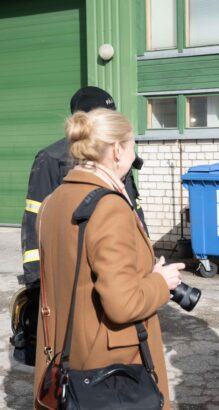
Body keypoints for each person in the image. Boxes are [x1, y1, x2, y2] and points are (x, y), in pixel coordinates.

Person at [33, 108, 183, 410]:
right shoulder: (109, 207)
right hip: (111, 372)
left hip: (65, 356)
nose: (133, 152)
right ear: (117, 150)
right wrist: (159, 282)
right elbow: (122, 304)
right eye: (131, 144)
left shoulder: (52, 202)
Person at [15, 86, 146, 366]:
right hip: (73, 276)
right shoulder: (50, 159)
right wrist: (37, 284)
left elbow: (133, 208)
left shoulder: (115, 157)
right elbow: (34, 223)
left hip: (117, 274)